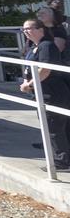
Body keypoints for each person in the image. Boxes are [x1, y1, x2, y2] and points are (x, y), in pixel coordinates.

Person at [20, 19, 70, 171]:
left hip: (53, 92)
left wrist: (29, 85)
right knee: (50, 126)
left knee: (55, 127)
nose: (26, 32)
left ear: (40, 29)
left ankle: (62, 161)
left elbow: (45, 70)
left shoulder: (47, 45)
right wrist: (26, 82)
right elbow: (29, 68)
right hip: (42, 91)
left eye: (29, 28)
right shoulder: (34, 47)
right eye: (24, 29)